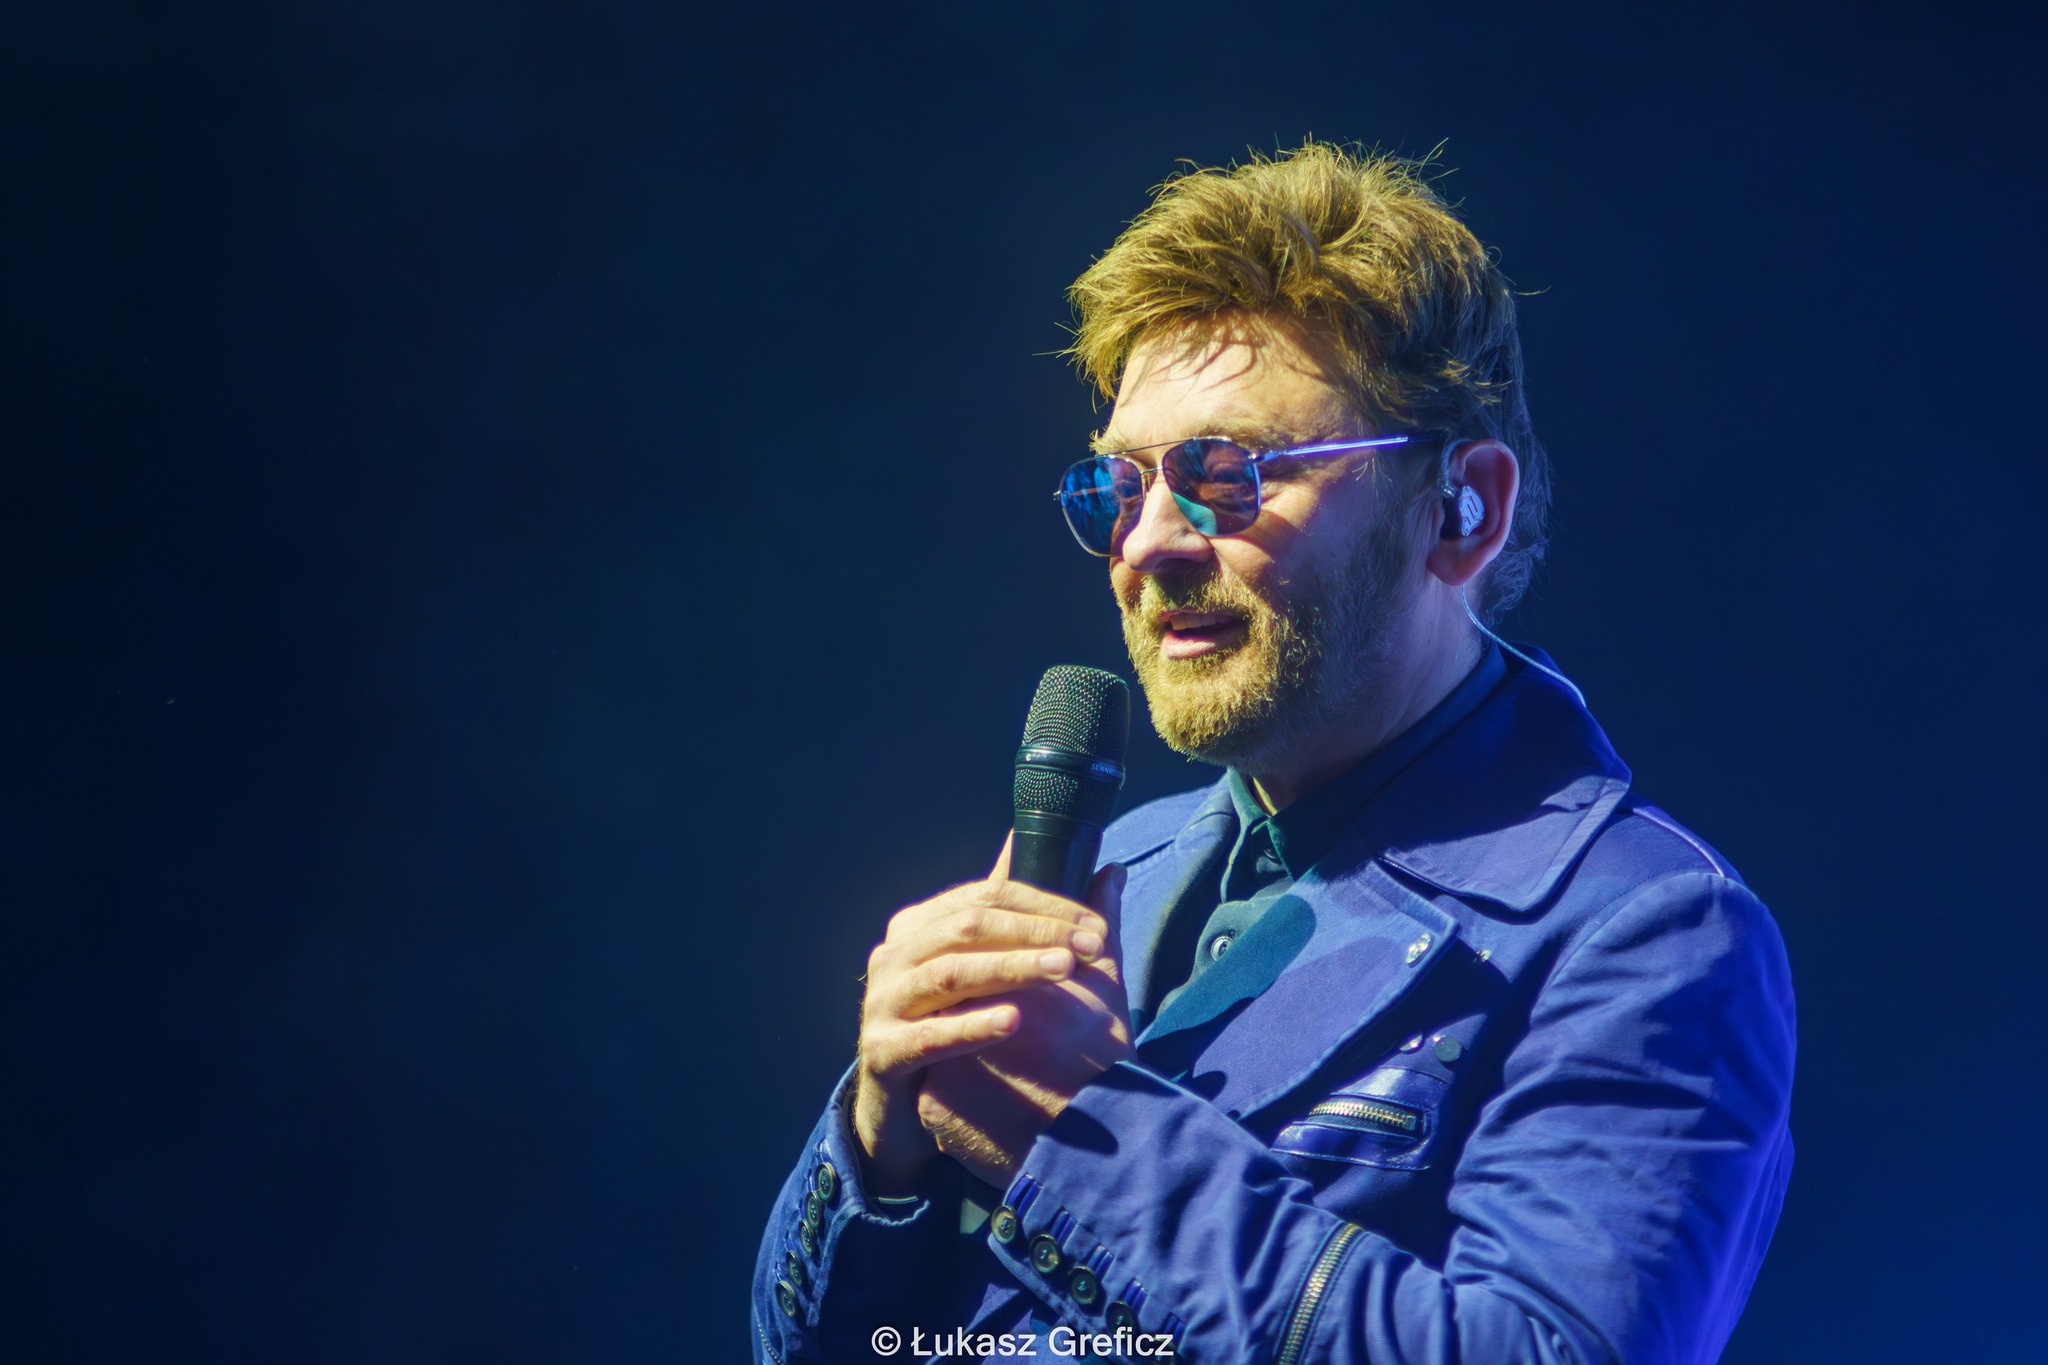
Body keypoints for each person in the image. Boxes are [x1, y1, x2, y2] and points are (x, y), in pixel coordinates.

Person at [750, 143, 1794, 1365]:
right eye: (1116, 486)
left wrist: (1079, 1139)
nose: (1147, 543)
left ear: (1462, 507)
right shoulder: (1116, 872)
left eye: (1226, 475)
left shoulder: (1643, 933)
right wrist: (882, 1153)